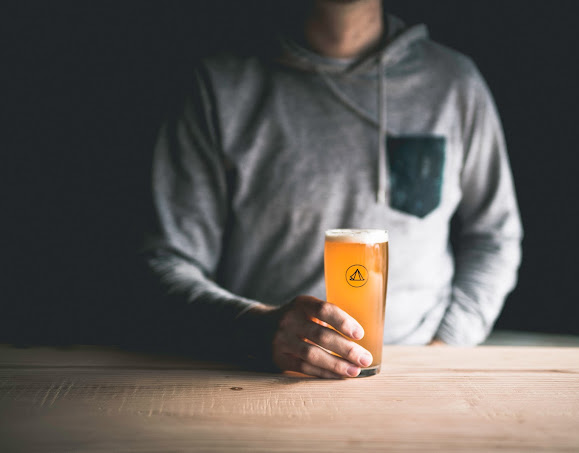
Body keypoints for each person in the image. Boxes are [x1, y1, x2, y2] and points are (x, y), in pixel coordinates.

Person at [140, 0, 522, 378]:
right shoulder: (220, 86)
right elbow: (167, 262)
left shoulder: (454, 84)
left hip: (420, 368)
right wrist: (257, 330)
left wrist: (445, 346)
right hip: (264, 376)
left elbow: (496, 236)